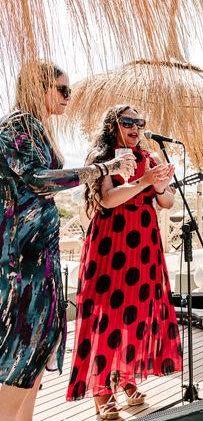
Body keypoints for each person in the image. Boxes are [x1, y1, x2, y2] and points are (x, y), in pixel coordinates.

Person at [0, 62, 135, 421]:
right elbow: (39, 179)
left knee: (36, 356)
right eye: (62, 90)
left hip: (37, 257)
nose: (68, 97)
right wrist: (104, 169)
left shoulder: (36, 128)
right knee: (20, 357)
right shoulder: (17, 125)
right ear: (38, 88)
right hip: (20, 263)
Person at [66, 105, 182, 419]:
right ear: (112, 126)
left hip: (143, 249)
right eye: (127, 122)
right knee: (107, 318)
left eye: (139, 122)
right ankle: (102, 390)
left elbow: (167, 202)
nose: (135, 127)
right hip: (110, 247)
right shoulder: (102, 158)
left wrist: (158, 185)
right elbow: (106, 199)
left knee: (136, 316)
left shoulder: (149, 158)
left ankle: (127, 379)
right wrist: (145, 182)